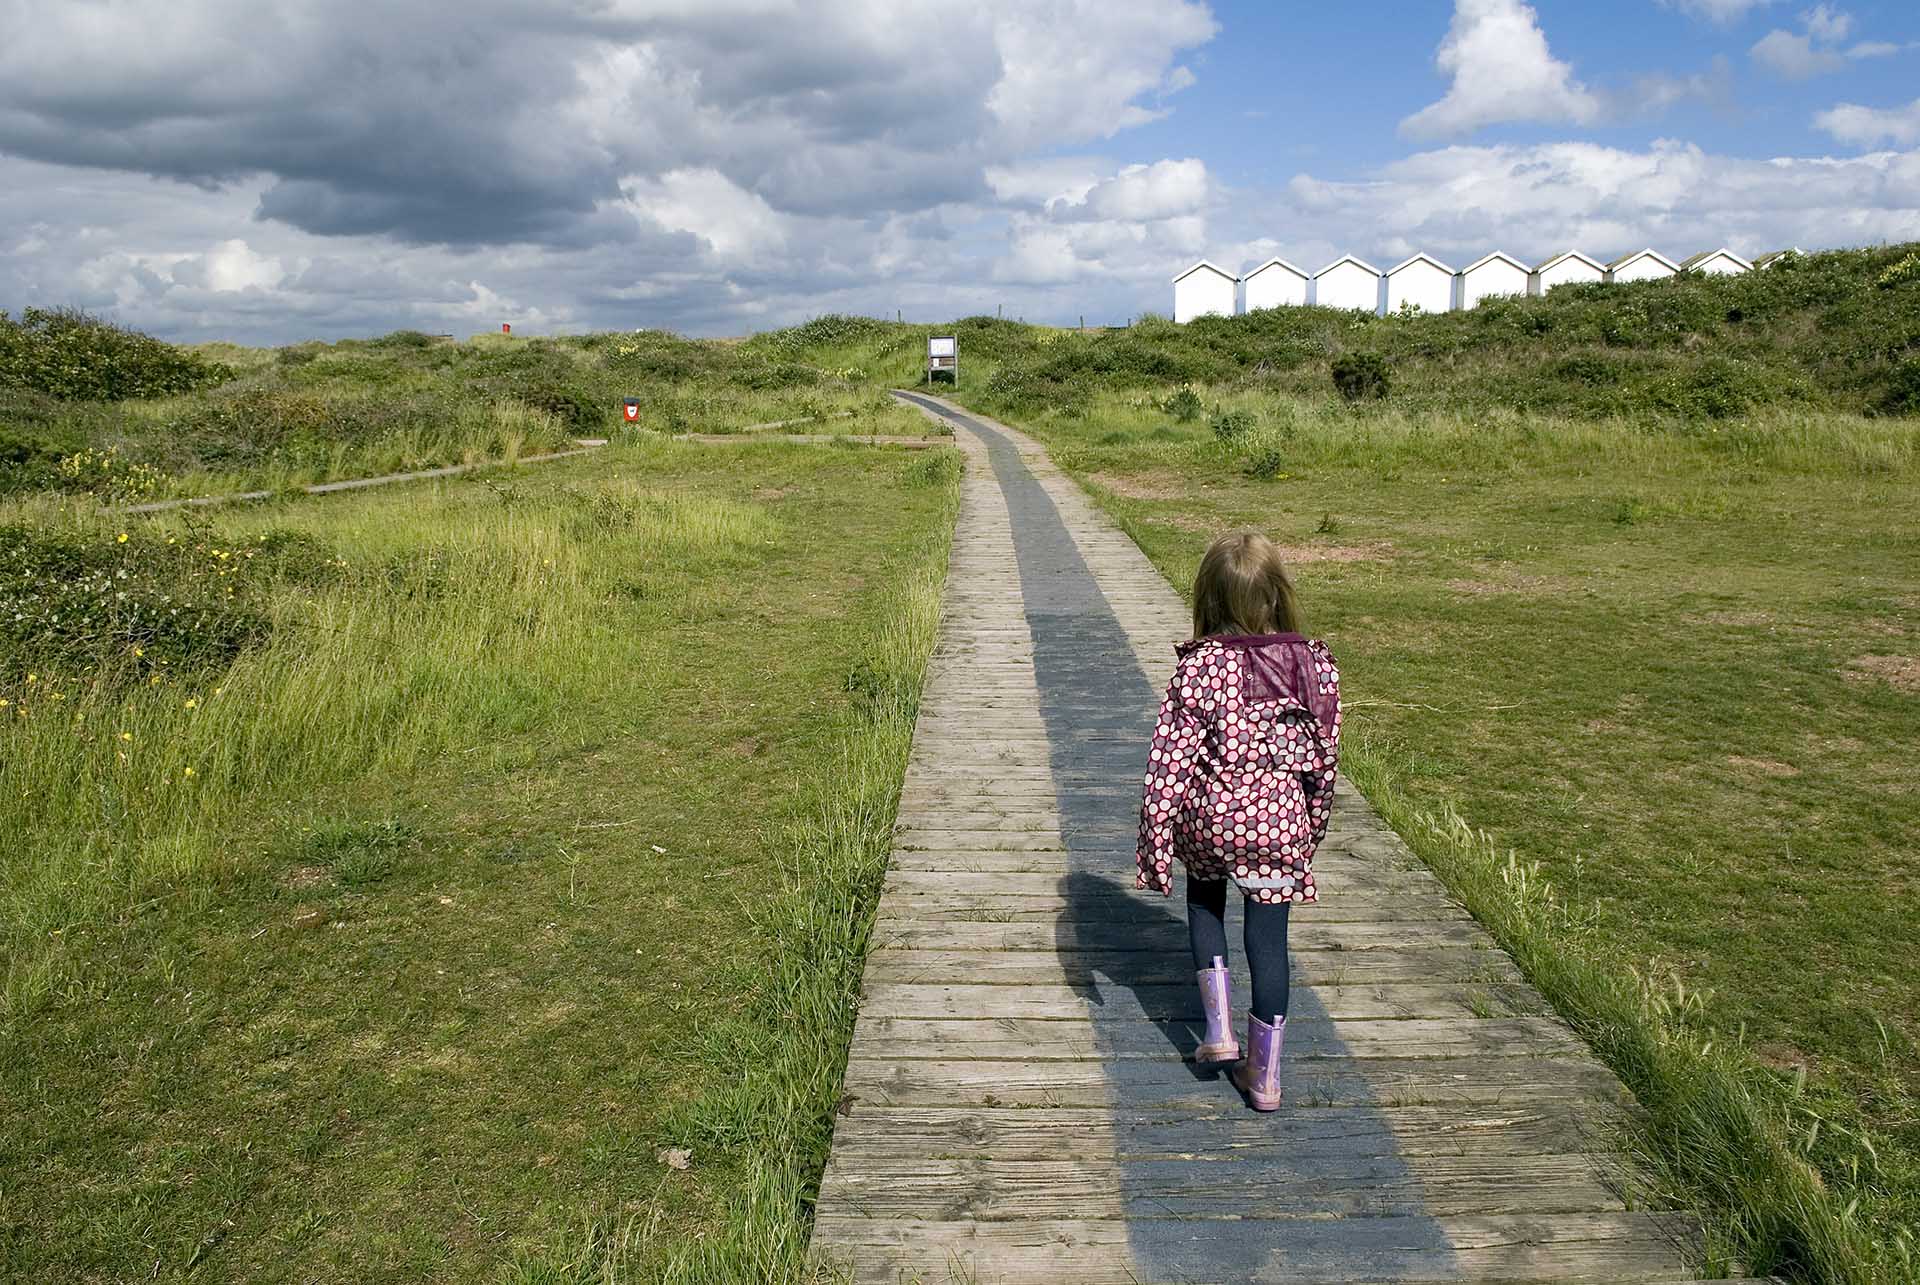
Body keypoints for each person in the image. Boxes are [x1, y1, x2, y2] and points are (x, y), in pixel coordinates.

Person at [1135, 530, 1341, 1111]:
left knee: (1204, 901)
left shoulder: (1198, 668)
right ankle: (1266, 1078)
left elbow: (1167, 763)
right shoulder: (1314, 668)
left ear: (1209, 599)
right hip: (1278, 824)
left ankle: (1219, 1030)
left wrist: (1155, 845)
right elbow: (1322, 762)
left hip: (1208, 818)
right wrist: (1310, 828)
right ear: (1277, 596)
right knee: (1270, 940)